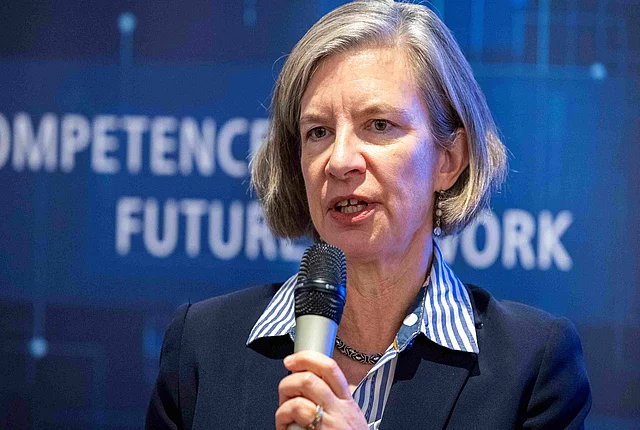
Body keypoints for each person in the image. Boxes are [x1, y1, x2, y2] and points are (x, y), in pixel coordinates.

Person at [146, 1, 591, 429]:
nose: (340, 161)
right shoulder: (200, 347)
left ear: (449, 160)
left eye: (379, 125)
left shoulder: (532, 368)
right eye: (318, 131)